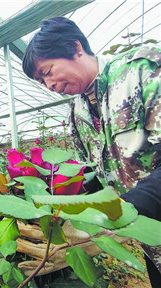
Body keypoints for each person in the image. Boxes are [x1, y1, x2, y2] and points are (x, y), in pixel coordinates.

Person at [21, 16, 161, 287]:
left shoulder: (142, 71)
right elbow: (92, 177)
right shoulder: (78, 113)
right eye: (41, 82)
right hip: (151, 243)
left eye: (48, 72)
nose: (48, 85)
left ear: (76, 48)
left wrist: (117, 216)